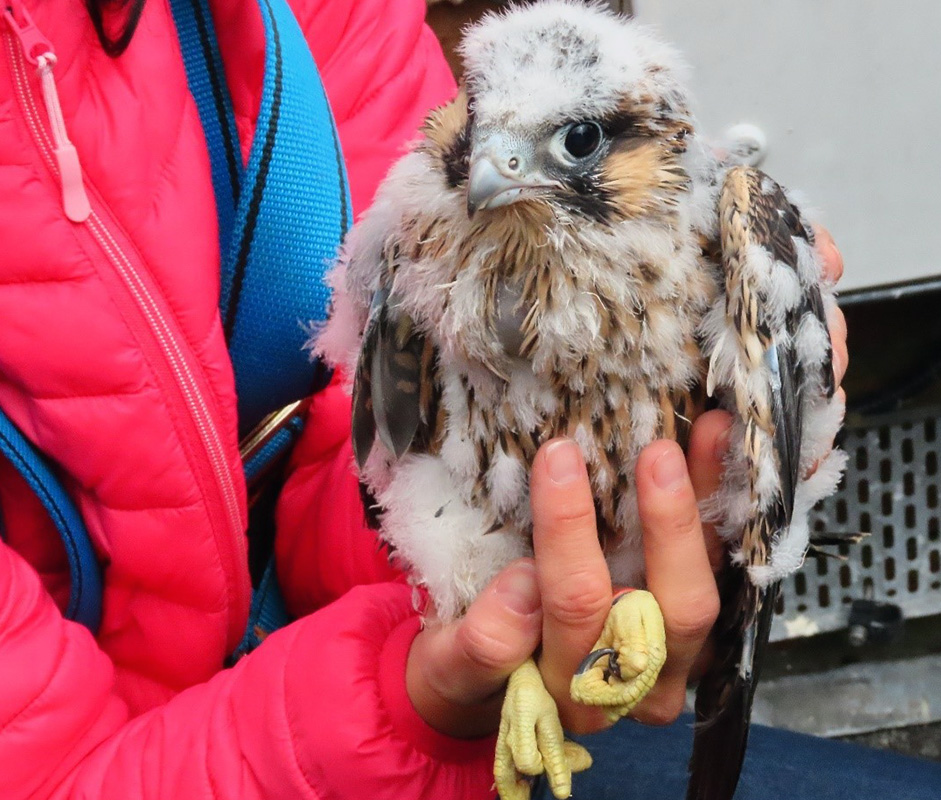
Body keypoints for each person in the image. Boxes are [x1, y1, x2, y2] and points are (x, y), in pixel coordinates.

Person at [0, 0, 849, 798]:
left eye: (578, 142)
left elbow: (363, 457)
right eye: (486, 132)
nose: (492, 171)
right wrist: (431, 695)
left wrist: (604, 593)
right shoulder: (419, 226)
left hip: (395, 666)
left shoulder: (724, 226)